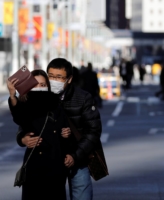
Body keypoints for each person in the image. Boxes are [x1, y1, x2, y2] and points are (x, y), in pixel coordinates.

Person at [16, 58, 103, 200]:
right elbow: (24, 122)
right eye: (50, 76)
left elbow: (93, 131)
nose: (53, 80)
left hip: (77, 158)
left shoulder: (83, 98)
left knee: (82, 195)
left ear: (69, 79)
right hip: (49, 159)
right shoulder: (38, 95)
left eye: (59, 77)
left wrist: (75, 156)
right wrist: (22, 138)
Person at [7, 69, 72, 200]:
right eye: (35, 85)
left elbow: (64, 128)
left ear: (48, 86)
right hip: (35, 165)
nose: (39, 88)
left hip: (55, 164)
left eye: (42, 85)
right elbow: (19, 119)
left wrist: (66, 134)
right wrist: (13, 95)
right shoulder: (26, 106)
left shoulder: (56, 104)